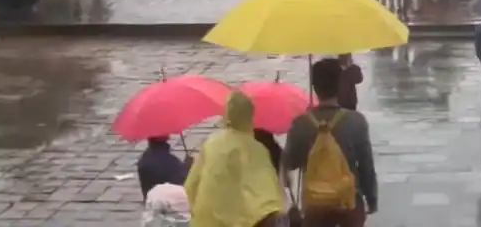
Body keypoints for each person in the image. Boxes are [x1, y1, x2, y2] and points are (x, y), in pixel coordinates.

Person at [283, 59, 378, 227]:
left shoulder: (301, 123)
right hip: (349, 203)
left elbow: (290, 163)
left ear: (314, 86)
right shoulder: (357, 121)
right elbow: (366, 166)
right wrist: (371, 199)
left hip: (314, 206)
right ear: (340, 85)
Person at [185, 91, 286, 227]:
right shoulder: (256, 150)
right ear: (250, 117)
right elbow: (269, 200)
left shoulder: (210, 143)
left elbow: (190, 188)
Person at [137, 136, 190, 201]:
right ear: (166, 137)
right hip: (169, 202)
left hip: (151, 200)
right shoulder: (171, 162)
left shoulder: (144, 159)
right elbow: (182, 181)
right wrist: (187, 167)